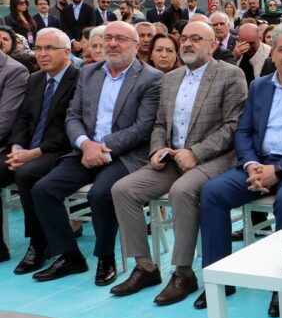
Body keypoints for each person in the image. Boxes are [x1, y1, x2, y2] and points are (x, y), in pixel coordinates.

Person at [198, 21, 282, 318]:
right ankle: (218, 278)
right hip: (259, 163)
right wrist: (251, 165)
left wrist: (279, 170)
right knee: (212, 193)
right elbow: (244, 131)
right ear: (271, 53)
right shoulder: (259, 86)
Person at [109, 20, 247, 305]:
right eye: (184, 38)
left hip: (215, 158)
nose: (187, 43)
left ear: (212, 45)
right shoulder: (171, 78)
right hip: (172, 157)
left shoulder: (230, 74)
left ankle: (183, 272)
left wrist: (196, 152)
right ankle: (145, 267)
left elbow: (233, 126)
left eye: (196, 38)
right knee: (123, 190)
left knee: (182, 191)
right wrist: (157, 150)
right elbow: (160, 123)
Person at [30, 21, 163, 287]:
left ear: (136, 46)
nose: (112, 43)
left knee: (100, 194)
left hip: (124, 155)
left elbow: (143, 128)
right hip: (85, 151)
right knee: (43, 190)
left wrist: (102, 147)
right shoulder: (89, 73)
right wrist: (85, 144)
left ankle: (105, 257)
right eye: (108, 37)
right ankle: (70, 256)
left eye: (120, 39)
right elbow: (73, 116)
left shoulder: (151, 78)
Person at [1, 28, 79, 269]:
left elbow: (71, 128)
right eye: (38, 48)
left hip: (60, 149)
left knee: (26, 173)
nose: (42, 54)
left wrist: (33, 153)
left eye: (49, 48)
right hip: (28, 149)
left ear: (67, 52)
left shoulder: (79, 79)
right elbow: (23, 119)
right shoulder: (35, 79)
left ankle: (38, 242)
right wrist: (16, 148)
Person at [231, 22, 270, 86]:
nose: (248, 47)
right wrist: (234, 58)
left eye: (251, 43)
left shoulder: (269, 53)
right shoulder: (234, 50)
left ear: (260, 38)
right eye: (244, 43)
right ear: (239, 39)